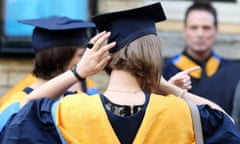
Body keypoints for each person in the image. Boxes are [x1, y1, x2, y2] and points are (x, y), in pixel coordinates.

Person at [1, 3, 240, 144]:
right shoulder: (183, 114)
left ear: (102, 56)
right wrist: (167, 87)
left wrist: (77, 72)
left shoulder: (66, 112)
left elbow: (25, 110)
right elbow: (227, 123)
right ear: (153, 55)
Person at [0, 16, 99, 135]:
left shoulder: (86, 94)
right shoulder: (15, 107)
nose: (84, 61)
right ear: (59, 60)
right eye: (80, 55)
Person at [162, 1, 236, 114]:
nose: (200, 34)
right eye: (194, 27)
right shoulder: (164, 71)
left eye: (206, 28)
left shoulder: (234, 73)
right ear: (185, 31)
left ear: (216, 31)